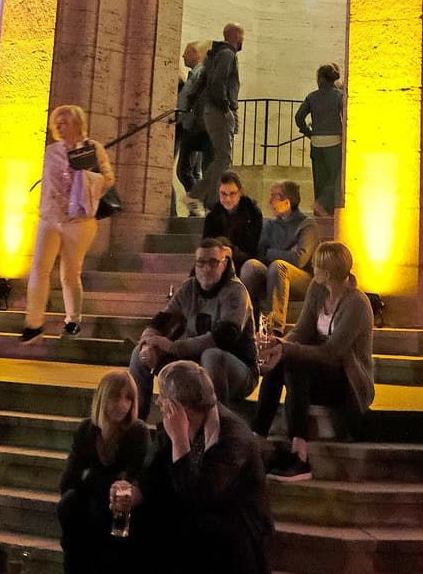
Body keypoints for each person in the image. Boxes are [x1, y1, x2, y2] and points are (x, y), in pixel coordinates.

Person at [132, 359, 271, 574]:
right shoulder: (175, 424)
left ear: (181, 406)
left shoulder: (232, 437)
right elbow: (154, 468)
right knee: (140, 517)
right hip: (200, 515)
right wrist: (136, 491)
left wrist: (180, 440)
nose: (158, 401)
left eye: (164, 397)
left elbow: (199, 496)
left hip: (235, 527)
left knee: (189, 529)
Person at [253, 240, 374, 481]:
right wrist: (278, 347)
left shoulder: (357, 304)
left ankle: (300, 455)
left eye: (316, 266)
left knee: (295, 360)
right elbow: (301, 330)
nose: (312, 271)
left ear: (326, 273)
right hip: (316, 374)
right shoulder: (318, 291)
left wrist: (285, 348)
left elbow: (332, 352)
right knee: (284, 362)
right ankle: (257, 439)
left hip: (348, 383)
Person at [130, 238, 255, 419]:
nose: (206, 269)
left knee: (211, 355)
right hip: (194, 363)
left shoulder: (236, 291)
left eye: (213, 262)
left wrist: (175, 347)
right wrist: (147, 343)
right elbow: (163, 320)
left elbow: (225, 337)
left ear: (224, 263)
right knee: (138, 354)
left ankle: (217, 425)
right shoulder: (189, 288)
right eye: (201, 263)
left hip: (235, 368)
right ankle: (136, 423)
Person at [19, 104, 114, 342]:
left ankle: (73, 319)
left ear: (77, 124)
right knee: (39, 268)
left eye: (65, 122)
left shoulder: (93, 149)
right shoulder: (51, 151)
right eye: (57, 122)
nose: (60, 126)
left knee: (70, 273)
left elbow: (108, 179)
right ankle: (34, 322)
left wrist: (87, 181)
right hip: (50, 217)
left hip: (79, 220)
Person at [57, 370, 151, 574]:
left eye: (128, 398)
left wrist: (93, 479)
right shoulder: (87, 430)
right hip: (90, 501)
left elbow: (135, 478)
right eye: (116, 396)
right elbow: (69, 480)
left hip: (121, 508)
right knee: (70, 503)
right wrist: (99, 482)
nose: (122, 404)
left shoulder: (137, 432)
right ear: (103, 397)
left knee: (103, 511)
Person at [238, 180, 318, 333]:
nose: (269, 202)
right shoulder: (270, 226)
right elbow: (260, 253)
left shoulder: (307, 225)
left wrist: (271, 252)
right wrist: (283, 253)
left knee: (278, 266)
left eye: (274, 197)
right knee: (251, 266)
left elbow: (299, 260)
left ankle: (273, 328)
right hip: (272, 274)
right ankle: (246, 322)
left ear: (287, 202)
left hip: (301, 279)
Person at [198, 23, 245, 208]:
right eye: (241, 35)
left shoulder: (218, 54)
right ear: (234, 35)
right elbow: (218, 82)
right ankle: (203, 197)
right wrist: (227, 109)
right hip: (220, 110)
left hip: (214, 110)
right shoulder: (227, 54)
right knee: (223, 158)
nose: (243, 40)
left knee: (220, 158)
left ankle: (208, 200)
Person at [294, 63, 345, 217]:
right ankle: (326, 206)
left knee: (319, 179)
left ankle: (320, 211)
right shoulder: (339, 96)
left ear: (320, 79)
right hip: (334, 142)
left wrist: (308, 132)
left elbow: (299, 117)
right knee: (335, 178)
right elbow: (346, 116)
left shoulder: (312, 97)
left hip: (316, 142)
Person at [173, 41, 211, 218]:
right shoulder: (196, 74)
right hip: (192, 126)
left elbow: (190, 99)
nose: (182, 56)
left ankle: (199, 204)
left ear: (197, 54)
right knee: (193, 170)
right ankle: (199, 207)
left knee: (184, 170)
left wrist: (179, 116)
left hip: (192, 127)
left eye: (187, 52)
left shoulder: (200, 74)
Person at [201, 172, 263, 274]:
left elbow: (253, 247)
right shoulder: (213, 216)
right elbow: (206, 244)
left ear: (240, 192)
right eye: (223, 194)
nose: (228, 199)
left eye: (232, 193)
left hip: (244, 261)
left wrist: (232, 252)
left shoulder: (253, 213)